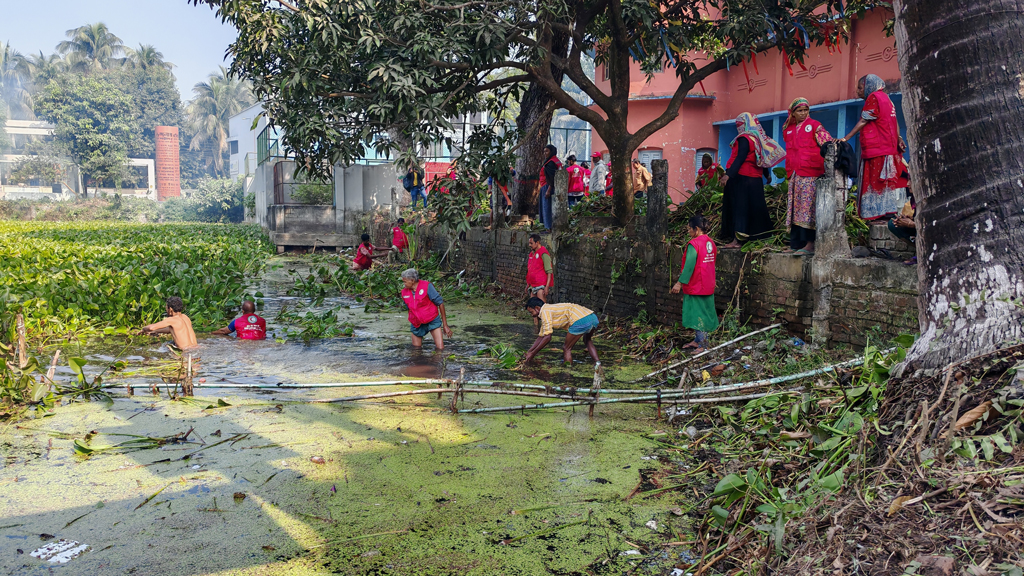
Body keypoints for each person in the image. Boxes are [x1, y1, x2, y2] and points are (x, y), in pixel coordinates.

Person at [839, 74, 909, 221]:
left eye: (860, 88)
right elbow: (894, 121)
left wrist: (846, 138)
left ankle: (875, 214)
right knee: (887, 183)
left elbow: (864, 119)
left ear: (868, 86)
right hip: (888, 148)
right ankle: (889, 212)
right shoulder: (887, 99)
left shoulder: (873, 97)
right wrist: (899, 138)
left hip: (877, 148)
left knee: (875, 182)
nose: (858, 91)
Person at [719, 112, 786, 248]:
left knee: (740, 209)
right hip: (755, 180)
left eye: (740, 124)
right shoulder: (759, 139)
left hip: (741, 178)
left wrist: (728, 175)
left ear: (745, 124)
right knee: (755, 208)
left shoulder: (744, 138)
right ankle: (760, 236)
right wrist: (766, 175)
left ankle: (737, 240)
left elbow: (740, 157)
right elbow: (762, 159)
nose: (738, 127)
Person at [782, 97, 834, 254]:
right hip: (795, 174)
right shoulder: (788, 129)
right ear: (793, 113)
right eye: (799, 111)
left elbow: (828, 143)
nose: (803, 113)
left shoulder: (815, 126)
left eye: (806, 110)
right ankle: (796, 244)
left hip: (810, 174)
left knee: (808, 210)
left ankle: (810, 244)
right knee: (795, 209)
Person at [670, 215, 720, 353]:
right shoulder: (711, 243)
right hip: (708, 283)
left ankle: (703, 345)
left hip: (697, 285)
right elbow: (711, 263)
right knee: (705, 311)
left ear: (696, 229)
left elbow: (689, 266)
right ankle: (698, 340)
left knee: (698, 314)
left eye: (689, 229)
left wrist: (679, 283)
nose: (688, 231)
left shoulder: (694, 244)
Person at [523, 298, 600, 365]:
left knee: (566, 348)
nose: (532, 315)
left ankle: (567, 372)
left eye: (531, 312)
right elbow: (541, 337)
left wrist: (533, 354)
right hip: (592, 317)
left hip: (580, 321)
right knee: (587, 340)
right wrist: (529, 351)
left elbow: (547, 337)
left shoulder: (545, 311)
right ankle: (597, 364)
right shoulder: (549, 309)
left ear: (537, 308)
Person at [399, 268, 453, 350]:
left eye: (405, 281)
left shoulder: (427, 286)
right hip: (416, 322)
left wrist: (445, 325)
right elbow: (409, 308)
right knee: (416, 351)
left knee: (440, 349)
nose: (404, 284)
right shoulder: (404, 292)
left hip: (432, 319)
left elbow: (440, 303)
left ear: (412, 280)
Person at [888, 193, 917, 265]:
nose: (908, 184)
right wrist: (909, 219)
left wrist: (912, 224)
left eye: (910, 181)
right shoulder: (913, 199)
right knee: (892, 224)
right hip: (916, 225)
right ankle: (918, 248)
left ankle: (921, 254)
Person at [538, 145, 561, 232]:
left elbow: (552, 177)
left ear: (551, 152)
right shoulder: (555, 160)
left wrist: (548, 190)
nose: (545, 153)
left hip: (547, 186)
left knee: (547, 207)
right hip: (547, 186)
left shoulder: (550, 162)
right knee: (547, 207)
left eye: (546, 151)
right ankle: (548, 227)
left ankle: (548, 228)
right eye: (544, 151)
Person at [526, 233, 554, 306]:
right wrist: (528, 284)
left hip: (541, 284)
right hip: (533, 284)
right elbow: (530, 270)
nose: (529, 245)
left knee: (542, 306)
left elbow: (549, 272)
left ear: (537, 242)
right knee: (533, 306)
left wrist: (547, 287)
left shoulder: (544, 254)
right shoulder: (532, 254)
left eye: (531, 243)